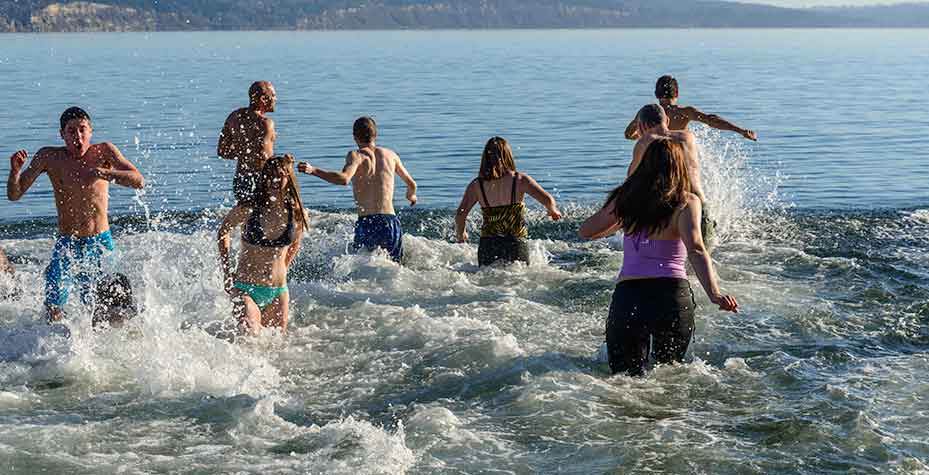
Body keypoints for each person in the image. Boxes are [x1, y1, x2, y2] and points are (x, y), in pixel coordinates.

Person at [579, 138, 738, 377]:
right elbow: (695, 248)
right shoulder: (687, 201)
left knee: (625, 378)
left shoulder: (625, 198)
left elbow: (586, 231)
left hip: (630, 296)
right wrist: (715, 294)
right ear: (680, 166)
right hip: (672, 297)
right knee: (668, 376)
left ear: (644, 164)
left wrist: (623, 220)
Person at [7, 107, 145, 322]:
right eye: (71, 132)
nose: (78, 137)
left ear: (91, 130)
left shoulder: (104, 152)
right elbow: (14, 195)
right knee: (54, 304)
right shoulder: (49, 157)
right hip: (67, 244)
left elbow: (138, 180)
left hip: (100, 242)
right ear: (62, 134)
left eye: (82, 130)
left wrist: (102, 172)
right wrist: (15, 171)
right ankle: (55, 347)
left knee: (107, 306)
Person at [297, 117, 416, 263]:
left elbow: (344, 178)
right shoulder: (391, 155)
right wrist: (411, 196)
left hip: (368, 222)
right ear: (375, 135)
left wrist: (313, 170)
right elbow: (412, 184)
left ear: (354, 137)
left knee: (364, 270)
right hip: (390, 222)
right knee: (395, 269)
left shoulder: (356, 155)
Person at [218, 155, 308, 335]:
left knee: (274, 347)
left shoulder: (296, 212)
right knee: (248, 333)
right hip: (246, 289)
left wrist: (284, 266)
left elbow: (296, 242)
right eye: (269, 176)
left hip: (278, 291)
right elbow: (223, 232)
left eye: (279, 176)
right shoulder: (249, 208)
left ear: (288, 178)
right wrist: (227, 272)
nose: (274, 181)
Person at [454, 137, 563, 266]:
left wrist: (461, 235)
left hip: (488, 245)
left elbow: (461, 214)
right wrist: (552, 210)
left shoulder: (477, 185)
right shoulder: (520, 179)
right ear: (508, 155)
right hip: (516, 243)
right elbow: (547, 199)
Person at [630, 104, 717, 248]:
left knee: (670, 262)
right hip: (701, 207)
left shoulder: (645, 141)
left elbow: (631, 180)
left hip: (674, 212)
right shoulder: (687, 137)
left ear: (642, 125)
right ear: (667, 121)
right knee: (702, 257)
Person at [624, 75, 756, 142]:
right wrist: (740, 130)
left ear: (656, 94)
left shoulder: (648, 112)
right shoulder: (684, 113)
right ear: (677, 93)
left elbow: (628, 135)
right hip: (681, 157)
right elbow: (711, 120)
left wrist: (649, 136)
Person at [218, 81, 278, 203]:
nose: (275, 99)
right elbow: (263, 156)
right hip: (260, 181)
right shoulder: (266, 123)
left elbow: (222, 151)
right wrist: (283, 165)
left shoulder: (234, 117)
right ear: (263, 99)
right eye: (273, 95)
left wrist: (243, 154)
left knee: (244, 212)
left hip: (241, 180)